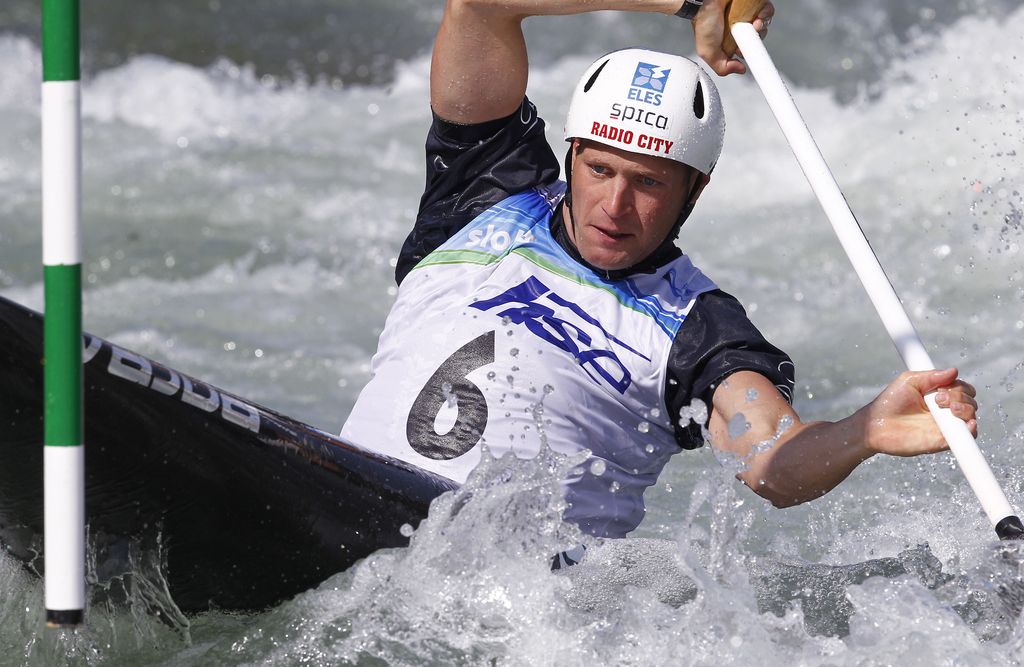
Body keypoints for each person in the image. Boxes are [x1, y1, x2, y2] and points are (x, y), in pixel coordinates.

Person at [341, 0, 978, 543]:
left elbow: (774, 462)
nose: (615, 206)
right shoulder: (482, 189)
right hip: (350, 492)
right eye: (599, 170)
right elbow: (482, 6)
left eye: (648, 183)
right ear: (572, 154)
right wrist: (692, 2)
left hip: (513, 589)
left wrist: (864, 431)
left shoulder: (699, 328)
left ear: (694, 192)